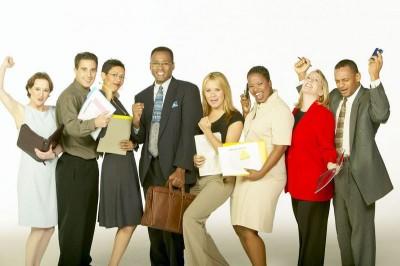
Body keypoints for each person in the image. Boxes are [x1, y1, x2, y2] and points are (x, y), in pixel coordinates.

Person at [295, 54, 392, 266]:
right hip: (335, 171)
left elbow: (382, 114)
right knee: (343, 232)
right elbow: (312, 104)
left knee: (361, 232)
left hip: (359, 171)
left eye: (345, 80)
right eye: (337, 80)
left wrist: (375, 76)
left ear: (357, 76)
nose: (341, 85)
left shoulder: (368, 96)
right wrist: (303, 78)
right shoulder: (335, 97)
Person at [132, 46, 202, 266]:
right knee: (154, 226)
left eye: (165, 63)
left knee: (173, 228)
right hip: (150, 168)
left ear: (172, 65)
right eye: (155, 63)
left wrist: (181, 168)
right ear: (149, 66)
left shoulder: (187, 91)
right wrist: (135, 121)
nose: (160, 67)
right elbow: (140, 137)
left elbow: (191, 131)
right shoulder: (141, 96)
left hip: (174, 168)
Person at [0, 56, 62, 266]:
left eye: (45, 90)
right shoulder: (21, 111)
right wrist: (3, 67)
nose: (41, 94)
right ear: (29, 89)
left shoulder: (54, 112)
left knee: (50, 227)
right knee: (39, 226)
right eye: (37, 89)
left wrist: (55, 152)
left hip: (51, 174)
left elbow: (65, 137)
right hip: (32, 176)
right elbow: (0, 92)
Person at [232, 66, 294, 266]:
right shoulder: (257, 107)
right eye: (251, 86)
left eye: (259, 83)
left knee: (249, 228)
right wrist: (246, 111)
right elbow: (253, 134)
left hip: (268, 175)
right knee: (239, 225)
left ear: (269, 82)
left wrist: (261, 173)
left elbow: (281, 146)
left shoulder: (280, 110)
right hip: (250, 172)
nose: (255, 89)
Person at [183, 72, 244, 266]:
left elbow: (228, 152)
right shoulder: (202, 116)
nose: (213, 94)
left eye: (217, 89)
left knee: (190, 219)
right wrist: (195, 159)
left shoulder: (234, 117)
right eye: (208, 90)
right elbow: (198, 148)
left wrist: (207, 131)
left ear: (225, 91)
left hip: (222, 179)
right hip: (201, 178)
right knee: (194, 225)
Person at [56, 52, 110, 266]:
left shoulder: (93, 96)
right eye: (84, 69)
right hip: (73, 166)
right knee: (73, 226)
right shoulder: (69, 96)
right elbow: (71, 128)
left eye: (93, 70)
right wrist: (96, 122)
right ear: (75, 70)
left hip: (89, 165)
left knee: (86, 224)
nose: (89, 74)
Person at [287, 62, 337, 266]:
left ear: (321, 91)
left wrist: (332, 162)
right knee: (304, 236)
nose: (310, 81)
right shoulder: (295, 112)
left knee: (312, 240)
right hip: (297, 186)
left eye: (315, 80)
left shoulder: (323, 114)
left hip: (315, 186)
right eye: (308, 78)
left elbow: (327, 146)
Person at [97, 59, 143, 266]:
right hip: (114, 164)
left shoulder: (117, 100)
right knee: (129, 217)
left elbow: (124, 134)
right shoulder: (98, 98)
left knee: (131, 217)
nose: (118, 79)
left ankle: (112, 264)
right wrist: (106, 97)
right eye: (114, 75)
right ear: (103, 76)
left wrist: (133, 141)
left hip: (126, 161)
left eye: (121, 76)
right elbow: (94, 133)